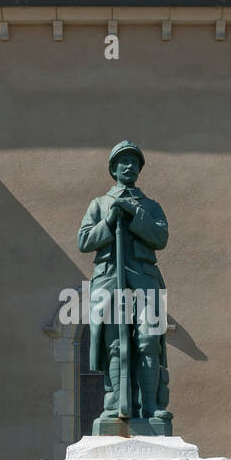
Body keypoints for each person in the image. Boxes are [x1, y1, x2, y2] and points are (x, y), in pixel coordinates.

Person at [77, 141, 172, 428]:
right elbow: (84, 241)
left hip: (143, 278)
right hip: (109, 277)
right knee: (115, 345)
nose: (129, 166)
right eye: (123, 161)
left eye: (134, 162)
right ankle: (115, 403)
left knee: (148, 340)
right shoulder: (99, 204)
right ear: (113, 169)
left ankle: (151, 405)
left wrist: (134, 215)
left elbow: (160, 238)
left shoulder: (151, 206)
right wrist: (109, 221)